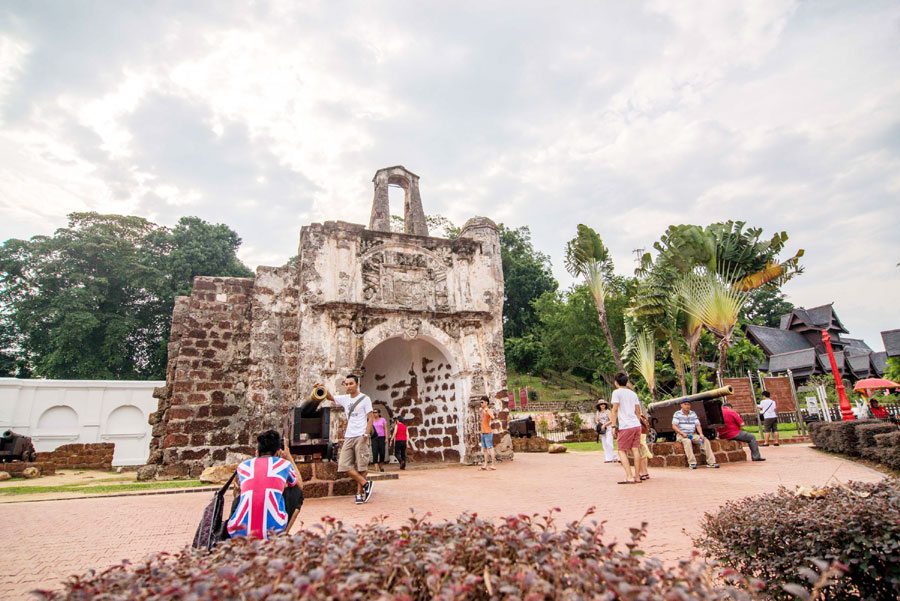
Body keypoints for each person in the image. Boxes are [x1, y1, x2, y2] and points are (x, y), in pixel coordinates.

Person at [226, 430, 301, 540]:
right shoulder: (284, 464)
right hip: (272, 532)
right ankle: (283, 535)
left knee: (241, 497)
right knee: (297, 492)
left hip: (237, 532)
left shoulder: (243, 466)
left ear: (257, 452)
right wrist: (288, 457)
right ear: (278, 452)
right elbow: (300, 486)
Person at [318, 375, 375, 504]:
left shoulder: (365, 399)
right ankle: (365, 484)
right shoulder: (345, 399)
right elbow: (330, 397)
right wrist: (321, 388)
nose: (348, 386)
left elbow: (370, 418)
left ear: (357, 384)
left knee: (361, 466)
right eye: (346, 384)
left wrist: (366, 434)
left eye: (351, 384)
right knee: (343, 465)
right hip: (349, 435)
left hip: (361, 434)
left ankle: (359, 494)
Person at [608, 372, 645, 484]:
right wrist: (637, 422)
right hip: (635, 424)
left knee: (621, 450)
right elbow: (638, 410)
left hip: (626, 425)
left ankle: (629, 476)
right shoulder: (632, 394)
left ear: (616, 382)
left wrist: (614, 425)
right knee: (635, 449)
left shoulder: (616, 393)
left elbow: (614, 410)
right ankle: (637, 476)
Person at [672, 399, 719, 469]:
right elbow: (674, 426)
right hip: (682, 435)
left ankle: (711, 462)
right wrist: (682, 433)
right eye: (685, 404)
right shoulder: (677, 414)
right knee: (687, 442)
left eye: (688, 404)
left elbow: (697, 425)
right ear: (681, 405)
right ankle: (692, 463)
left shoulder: (693, 413)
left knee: (705, 440)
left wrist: (701, 434)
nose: (687, 406)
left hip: (693, 434)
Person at [480, 398, 497, 470]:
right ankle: (485, 464)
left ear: (486, 403)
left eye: (482, 402)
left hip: (488, 432)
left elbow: (493, 417)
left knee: (490, 448)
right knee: (484, 449)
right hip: (483, 431)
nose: (481, 403)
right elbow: (481, 419)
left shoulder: (488, 410)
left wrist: (487, 411)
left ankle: (493, 465)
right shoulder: (482, 410)